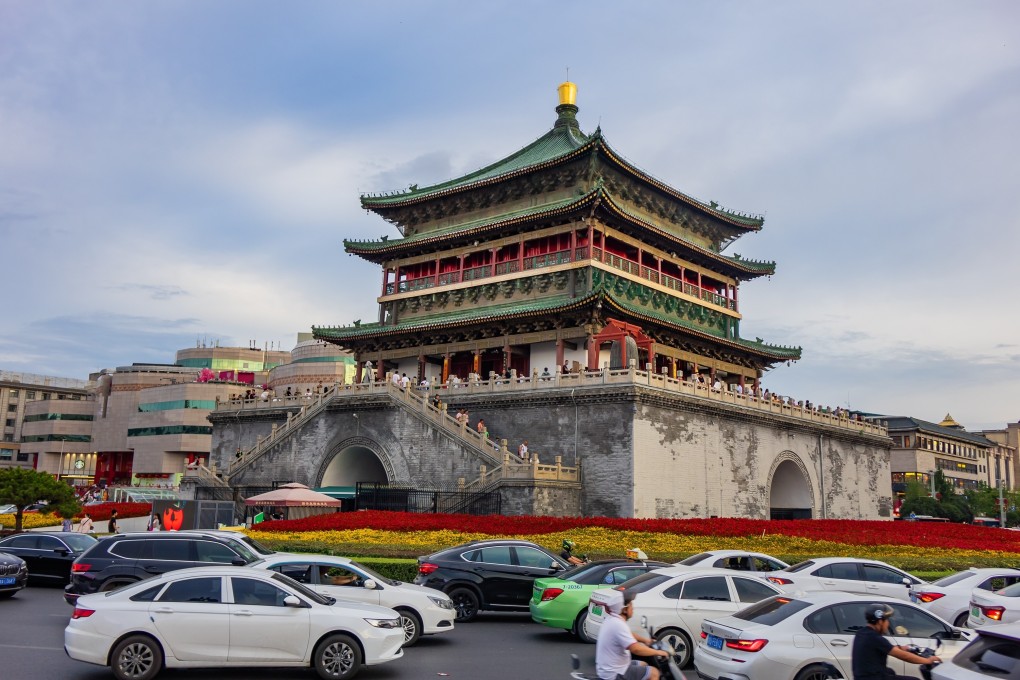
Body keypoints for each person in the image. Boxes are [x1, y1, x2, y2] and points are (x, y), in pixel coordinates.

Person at [851, 603, 940, 680]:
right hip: (874, 678)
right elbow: (904, 656)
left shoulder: (862, 633)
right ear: (880, 621)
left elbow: (886, 648)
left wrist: (903, 648)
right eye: (887, 620)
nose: (888, 623)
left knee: (890, 671)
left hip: (862, 677)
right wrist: (927, 660)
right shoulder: (875, 638)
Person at [595, 590, 669, 680]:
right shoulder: (618, 624)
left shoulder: (612, 619)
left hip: (614, 667)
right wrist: (659, 652)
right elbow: (636, 649)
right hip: (614, 673)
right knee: (654, 673)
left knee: (643, 664)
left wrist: (646, 641)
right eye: (630, 604)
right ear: (624, 609)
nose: (633, 607)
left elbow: (629, 635)